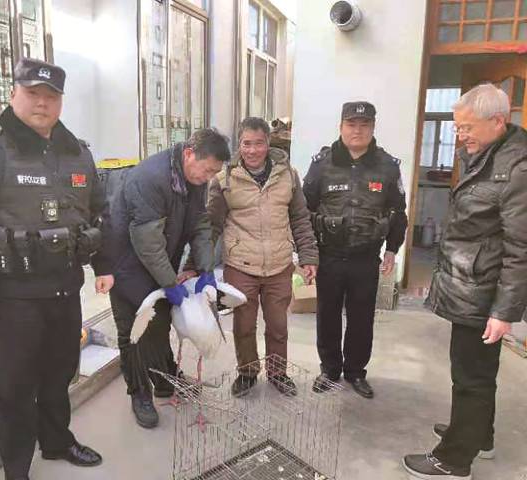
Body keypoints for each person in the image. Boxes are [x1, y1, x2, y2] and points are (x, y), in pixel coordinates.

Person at [0, 58, 110, 480]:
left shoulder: (78, 154)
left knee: (59, 374)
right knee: (15, 387)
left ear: (60, 102)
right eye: (33, 93)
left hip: (65, 289)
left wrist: (104, 265)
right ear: (13, 93)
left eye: (51, 96)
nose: (42, 103)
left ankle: (56, 442)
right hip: (13, 297)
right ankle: (16, 468)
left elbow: (98, 213)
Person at [403, 85, 527, 479]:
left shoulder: (517, 169)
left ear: (497, 121)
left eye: (466, 127)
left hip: (485, 292)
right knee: (476, 371)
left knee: (471, 376)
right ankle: (478, 436)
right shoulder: (486, 155)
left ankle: (454, 459)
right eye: (457, 128)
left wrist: (504, 312)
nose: (460, 136)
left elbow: (521, 246)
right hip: (473, 284)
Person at [101, 128, 229, 429]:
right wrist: (169, 283)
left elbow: (200, 224)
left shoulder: (194, 179)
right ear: (189, 154)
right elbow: (147, 242)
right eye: (207, 169)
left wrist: (206, 268)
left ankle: (165, 380)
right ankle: (139, 394)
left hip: (159, 262)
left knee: (159, 323)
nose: (209, 177)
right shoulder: (150, 178)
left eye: (214, 172)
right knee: (133, 331)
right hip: (127, 265)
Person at [303, 101, 408, 399]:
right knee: (327, 315)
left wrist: (392, 249)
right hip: (329, 255)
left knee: (362, 318)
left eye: (364, 125)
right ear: (341, 127)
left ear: (373, 128)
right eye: (351, 124)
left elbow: (398, 212)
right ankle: (329, 369)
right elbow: (303, 210)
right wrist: (307, 254)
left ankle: (355, 372)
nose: (357, 130)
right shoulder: (322, 164)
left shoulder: (387, 166)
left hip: (365, 257)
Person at [207, 117, 318, 397]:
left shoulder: (288, 175)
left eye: (259, 143)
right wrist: (196, 264)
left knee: (278, 325)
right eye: (247, 144)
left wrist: (308, 256)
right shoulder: (224, 179)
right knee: (244, 325)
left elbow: (300, 218)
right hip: (240, 265)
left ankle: (278, 373)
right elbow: (211, 227)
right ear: (239, 144)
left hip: (279, 265)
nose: (253, 150)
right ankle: (247, 372)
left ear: (268, 143)